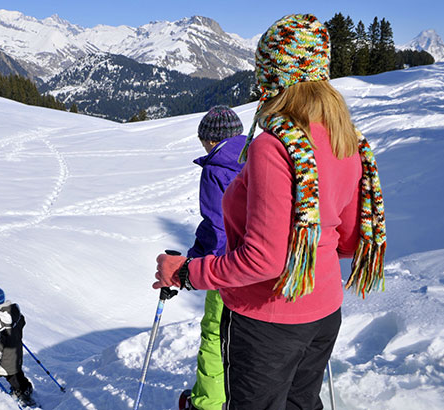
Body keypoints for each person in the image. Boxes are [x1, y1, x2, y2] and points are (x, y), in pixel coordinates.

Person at [154, 14, 387, 410]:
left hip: (266, 320)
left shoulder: (272, 146)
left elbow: (262, 259)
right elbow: (347, 241)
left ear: (270, 75)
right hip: (324, 311)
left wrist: (187, 272)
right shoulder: (345, 137)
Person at [180, 105, 247, 410]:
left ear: (209, 140)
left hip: (226, 269)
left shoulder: (214, 169)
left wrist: (194, 262)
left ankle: (206, 403)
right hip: (259, 263)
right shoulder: (256, 156)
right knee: (244, 338)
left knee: (214, 336)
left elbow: (215, 226)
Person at [0, 286, 34, 406]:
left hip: (3, 359)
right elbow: (22, 322)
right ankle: (25, 388)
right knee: (15, 373)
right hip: (16, 353)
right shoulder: (14, 311)